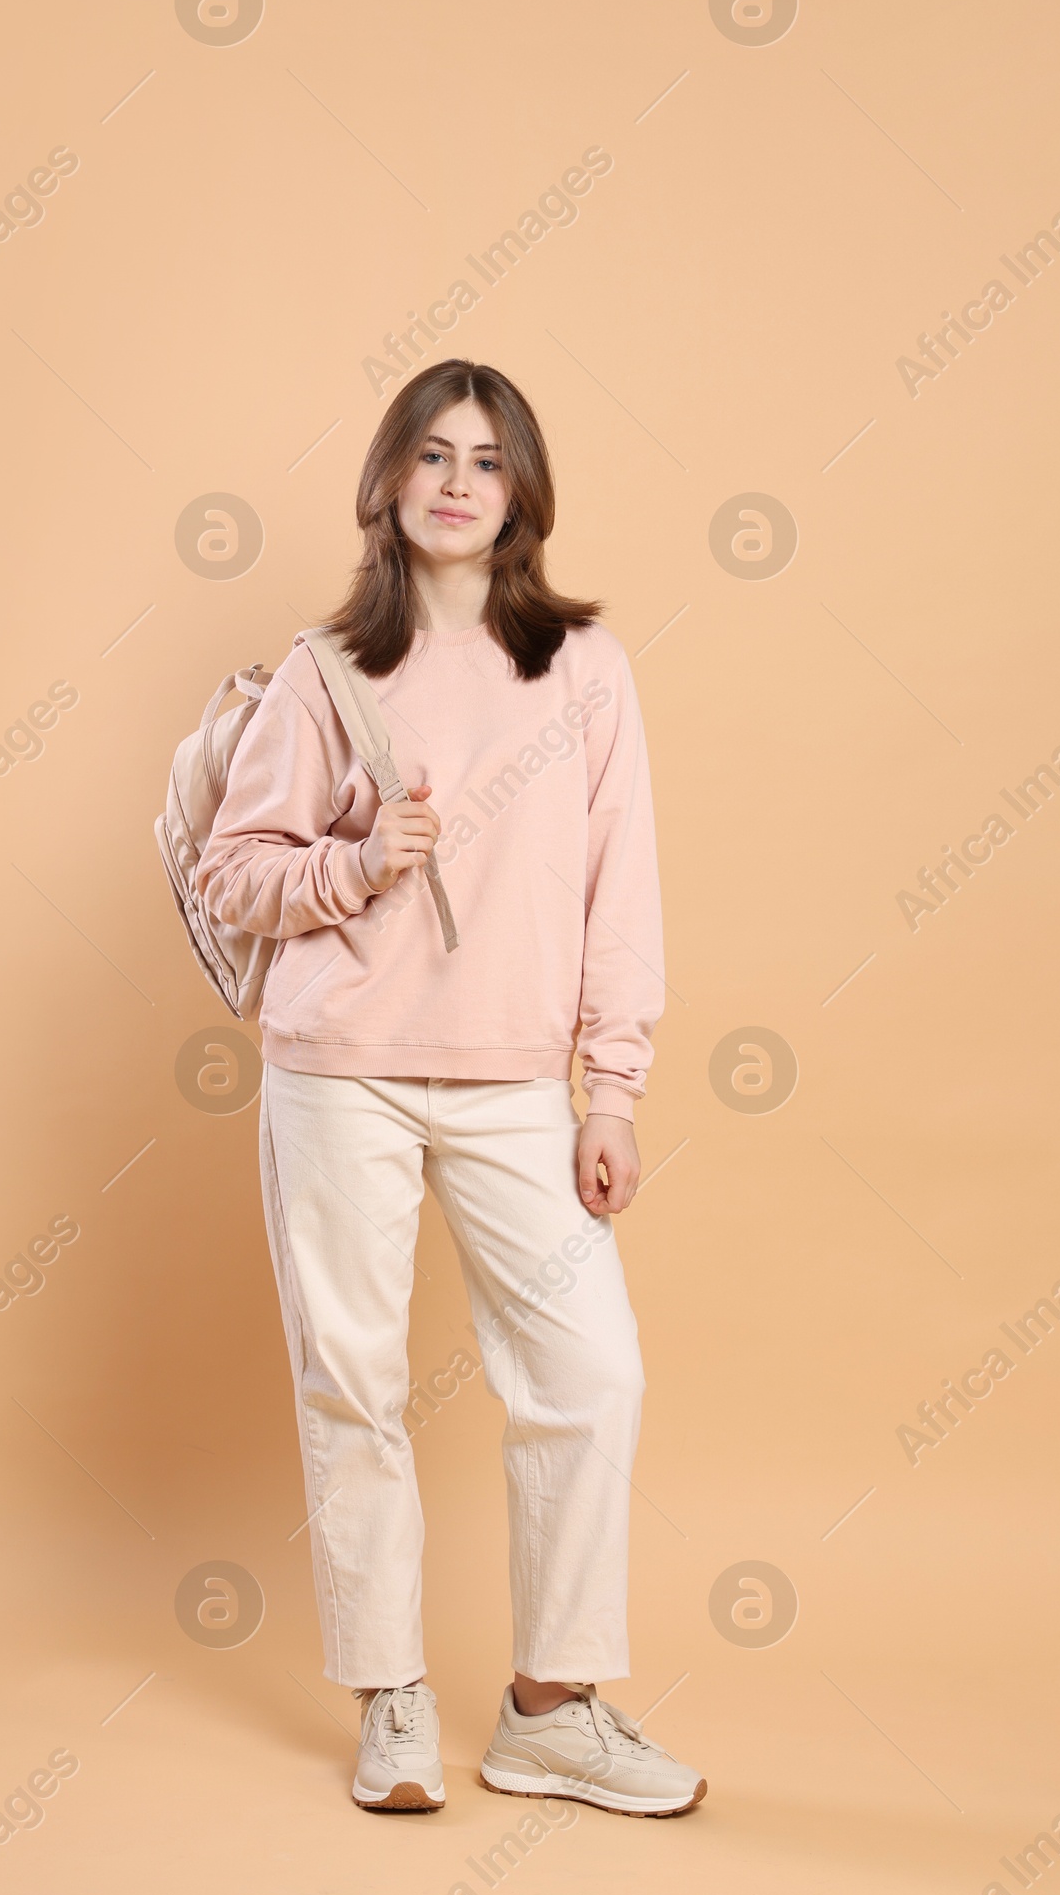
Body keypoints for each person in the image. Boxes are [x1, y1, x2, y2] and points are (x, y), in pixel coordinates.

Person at [196, 359, 705, 1817]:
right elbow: (237, 871)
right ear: (389, 483)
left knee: (590, 1370)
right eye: (431, 454)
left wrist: (611, 1091)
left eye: (487, 459)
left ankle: (551, 1708)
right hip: (337, 1073)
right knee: (353, 1382)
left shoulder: (586, 671)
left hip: (512, 1088)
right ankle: (391, 1696)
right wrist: (358, 866)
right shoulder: (323, 670)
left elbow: (625, 895)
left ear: (521, 492)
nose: (458, 480)